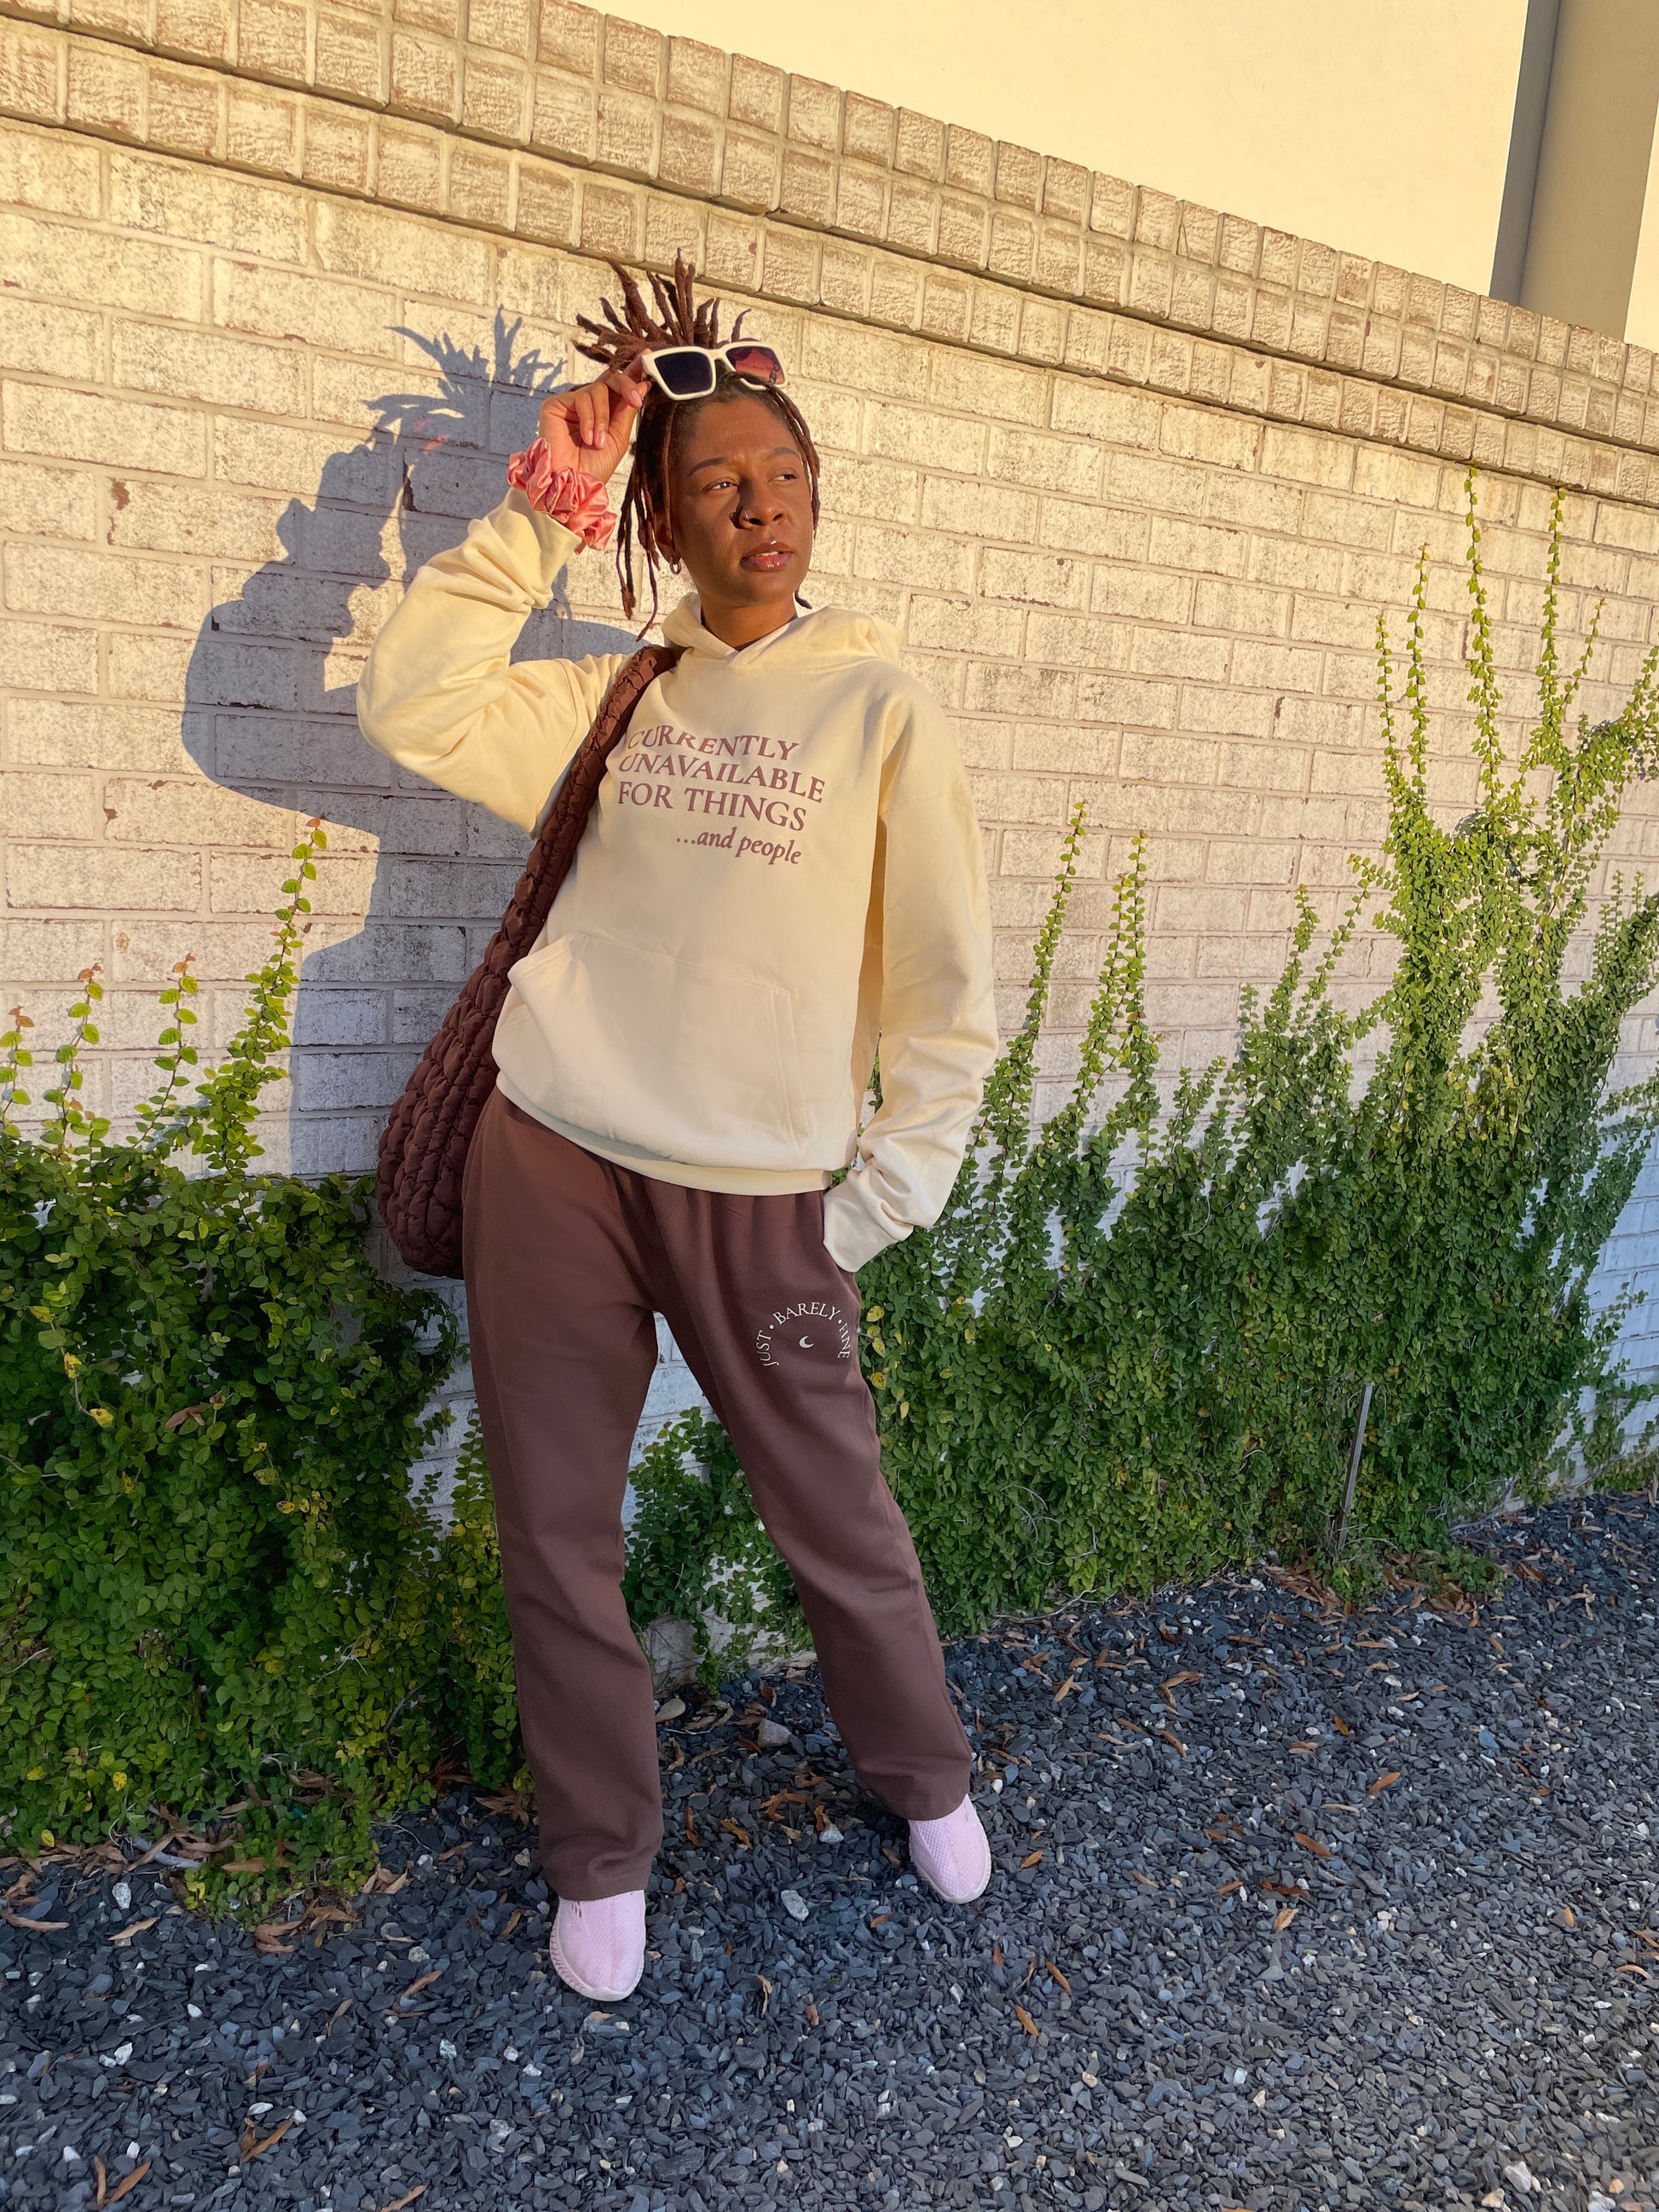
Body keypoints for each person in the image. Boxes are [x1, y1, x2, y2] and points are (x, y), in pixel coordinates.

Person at [356, 253, 1001, 2006]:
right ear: (662, 515)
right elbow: (412, 704)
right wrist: (536, 515)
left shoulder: (879, 705)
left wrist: (875, 1198)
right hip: (554, 1156)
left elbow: (943, 979)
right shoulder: (620, 697)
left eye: (784, 474)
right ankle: (600, 1850)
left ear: (817, 495)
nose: (760, 505)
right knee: (557, 1530)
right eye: (717, 482)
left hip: (763, 1198)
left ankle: (925, 1776)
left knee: (837, 1520)